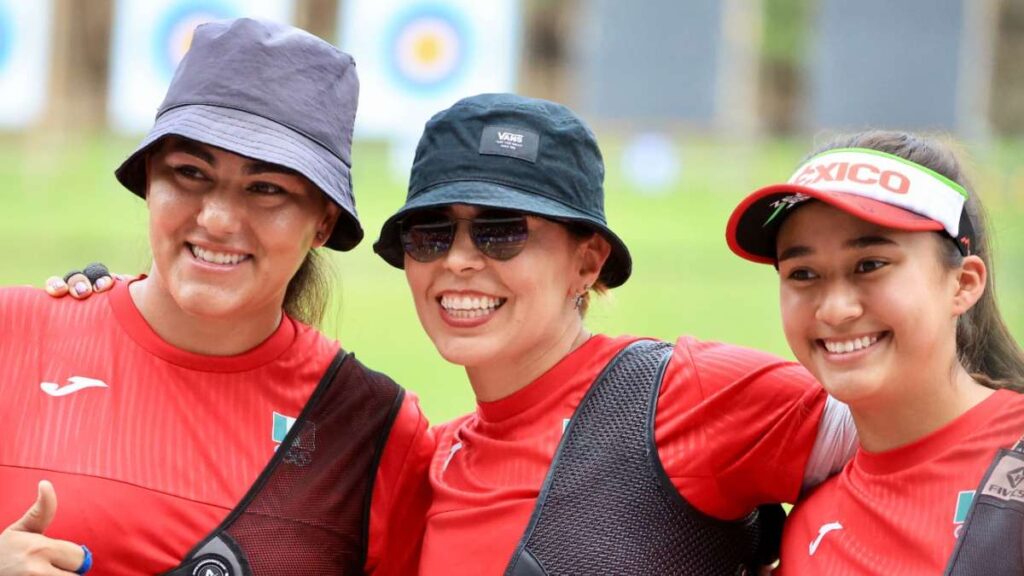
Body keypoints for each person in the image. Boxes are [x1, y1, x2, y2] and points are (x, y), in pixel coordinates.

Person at [0, 18, 431, 576]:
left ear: (323, 223)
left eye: (267, 188)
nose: (217, 219)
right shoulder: (14, 334)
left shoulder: (372, 427)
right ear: (148, 180)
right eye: (190, 173)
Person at [369, 93, 856, 575]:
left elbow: (918, 439)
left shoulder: (680, 397)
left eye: (502, 231)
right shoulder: (434, 462)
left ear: (588, 261)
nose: (457, 260)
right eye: (430, 233)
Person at [725, 130, 1024, 574]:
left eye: (870, 265)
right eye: (803, 273)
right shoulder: (809, 529)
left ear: (963, 284)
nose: (836, 309)